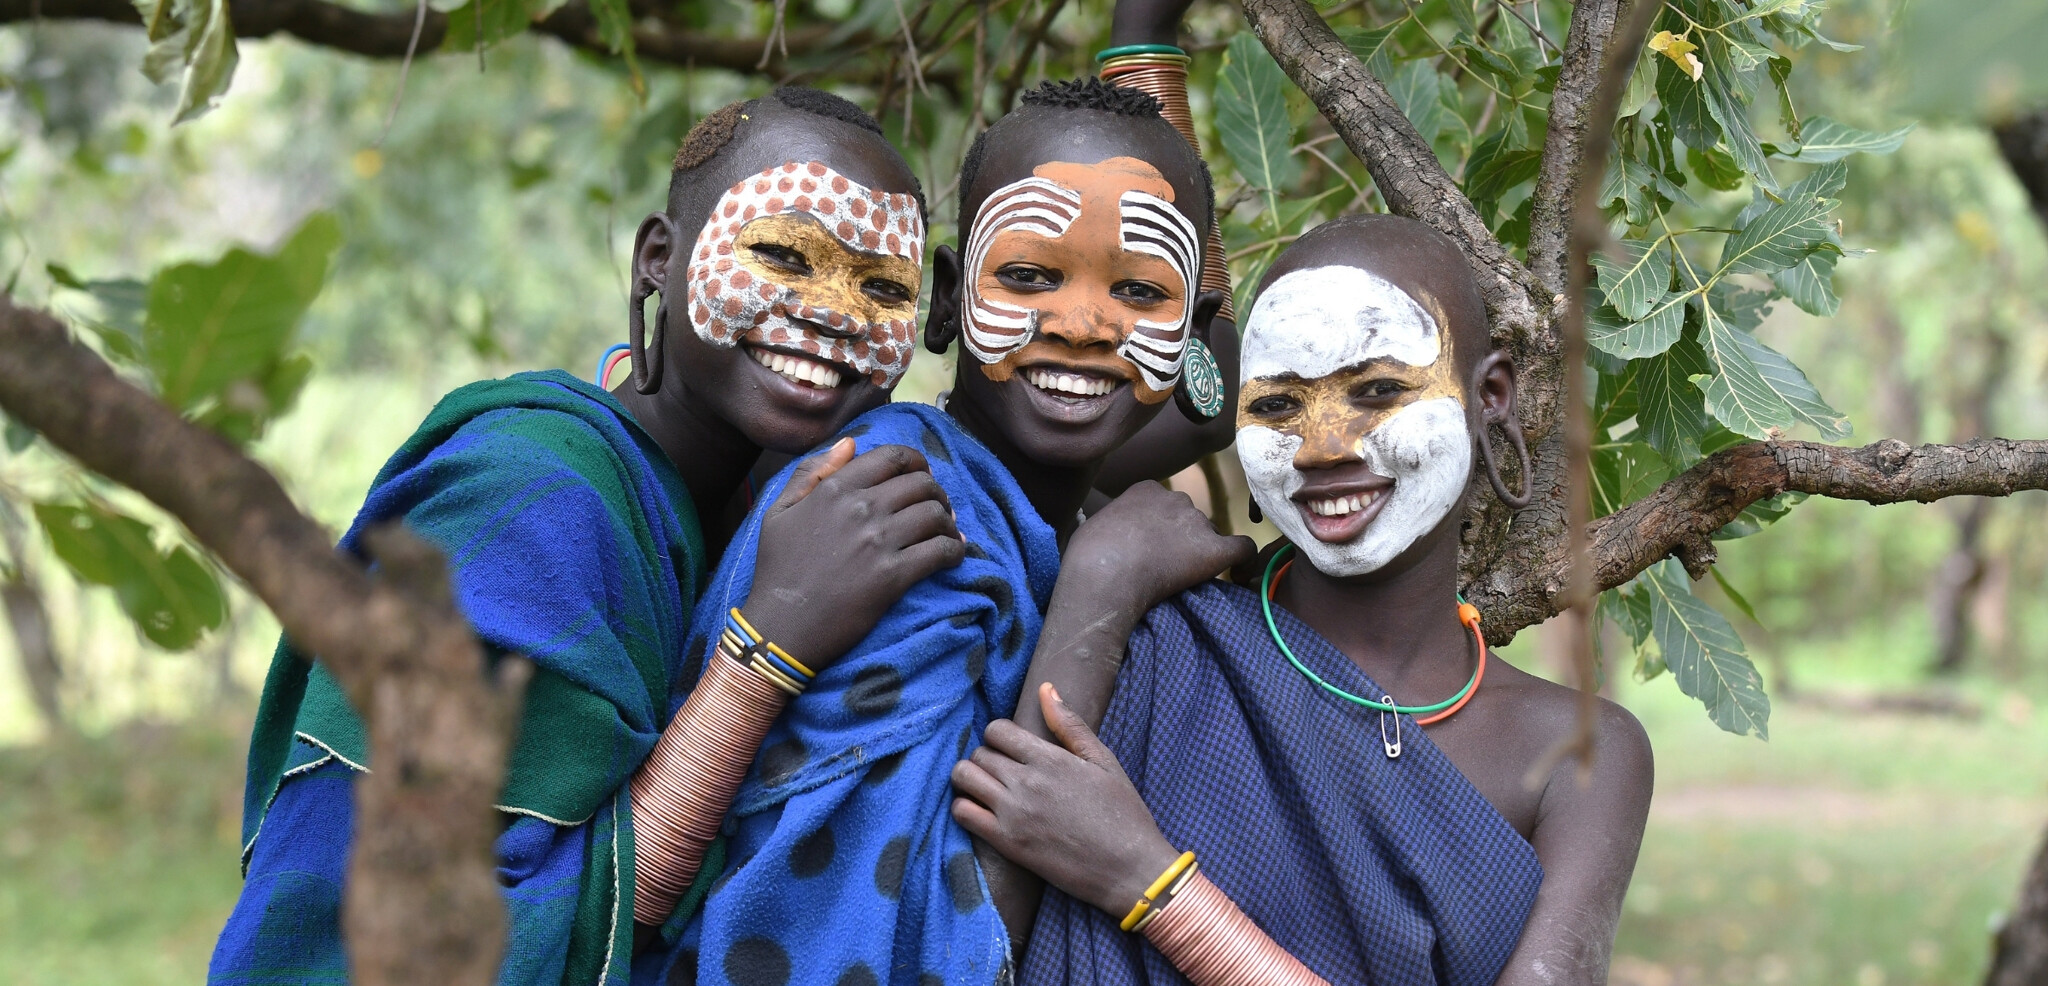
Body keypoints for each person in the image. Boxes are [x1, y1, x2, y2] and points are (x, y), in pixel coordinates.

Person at [211, 88, 968, 986]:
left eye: (883, 288)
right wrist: (770, 644)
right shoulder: (527, 496)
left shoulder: (766, 502)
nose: (836, 312)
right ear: (658, 258)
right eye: (782, 257)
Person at [631, 78, 1251, 986]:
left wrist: (1145, 39)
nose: (1082, 326)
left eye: (1138, 290)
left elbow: (1213, 393)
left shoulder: (1028, 492)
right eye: (1031, 275)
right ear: (951, 298)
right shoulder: (900, 512)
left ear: (1190, 328)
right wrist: (1101, 590)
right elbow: (900, 951)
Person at [952, 215, 1656, 986]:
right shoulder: (1157, 639)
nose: (1323, 446)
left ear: (1489, 395)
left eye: (1379, 390)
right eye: (1278, 406)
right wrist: (1105, 570)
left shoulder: (1583, 753)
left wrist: (1149, 883)